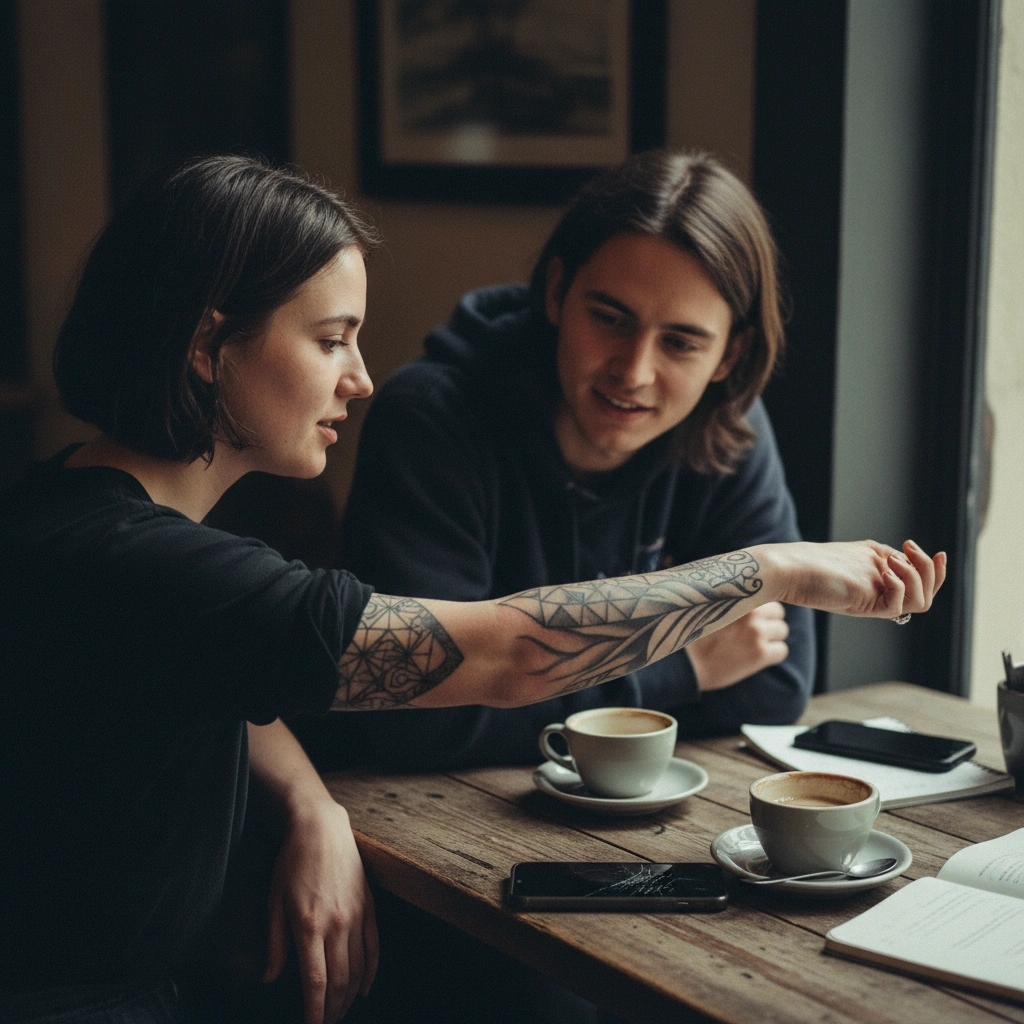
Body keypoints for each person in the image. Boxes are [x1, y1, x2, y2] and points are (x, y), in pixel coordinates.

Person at [0, 154, 944, 1024]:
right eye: (332, 340)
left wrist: (311, 802)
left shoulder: (86, 518)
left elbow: (232, 667)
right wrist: (768, 572)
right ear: (210, 345)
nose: (363, 379)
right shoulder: (149, 566)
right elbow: (506, 651)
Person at [297, 149, 818, 775]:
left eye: (680, 343)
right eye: (609, 318)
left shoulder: (730, 430)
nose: (634, 371)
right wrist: (681, 666)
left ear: (729, 357)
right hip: (423, 816)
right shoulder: (432, 418)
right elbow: (409, 718)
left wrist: (506, 694)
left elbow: (776, 683)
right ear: (556, 292)